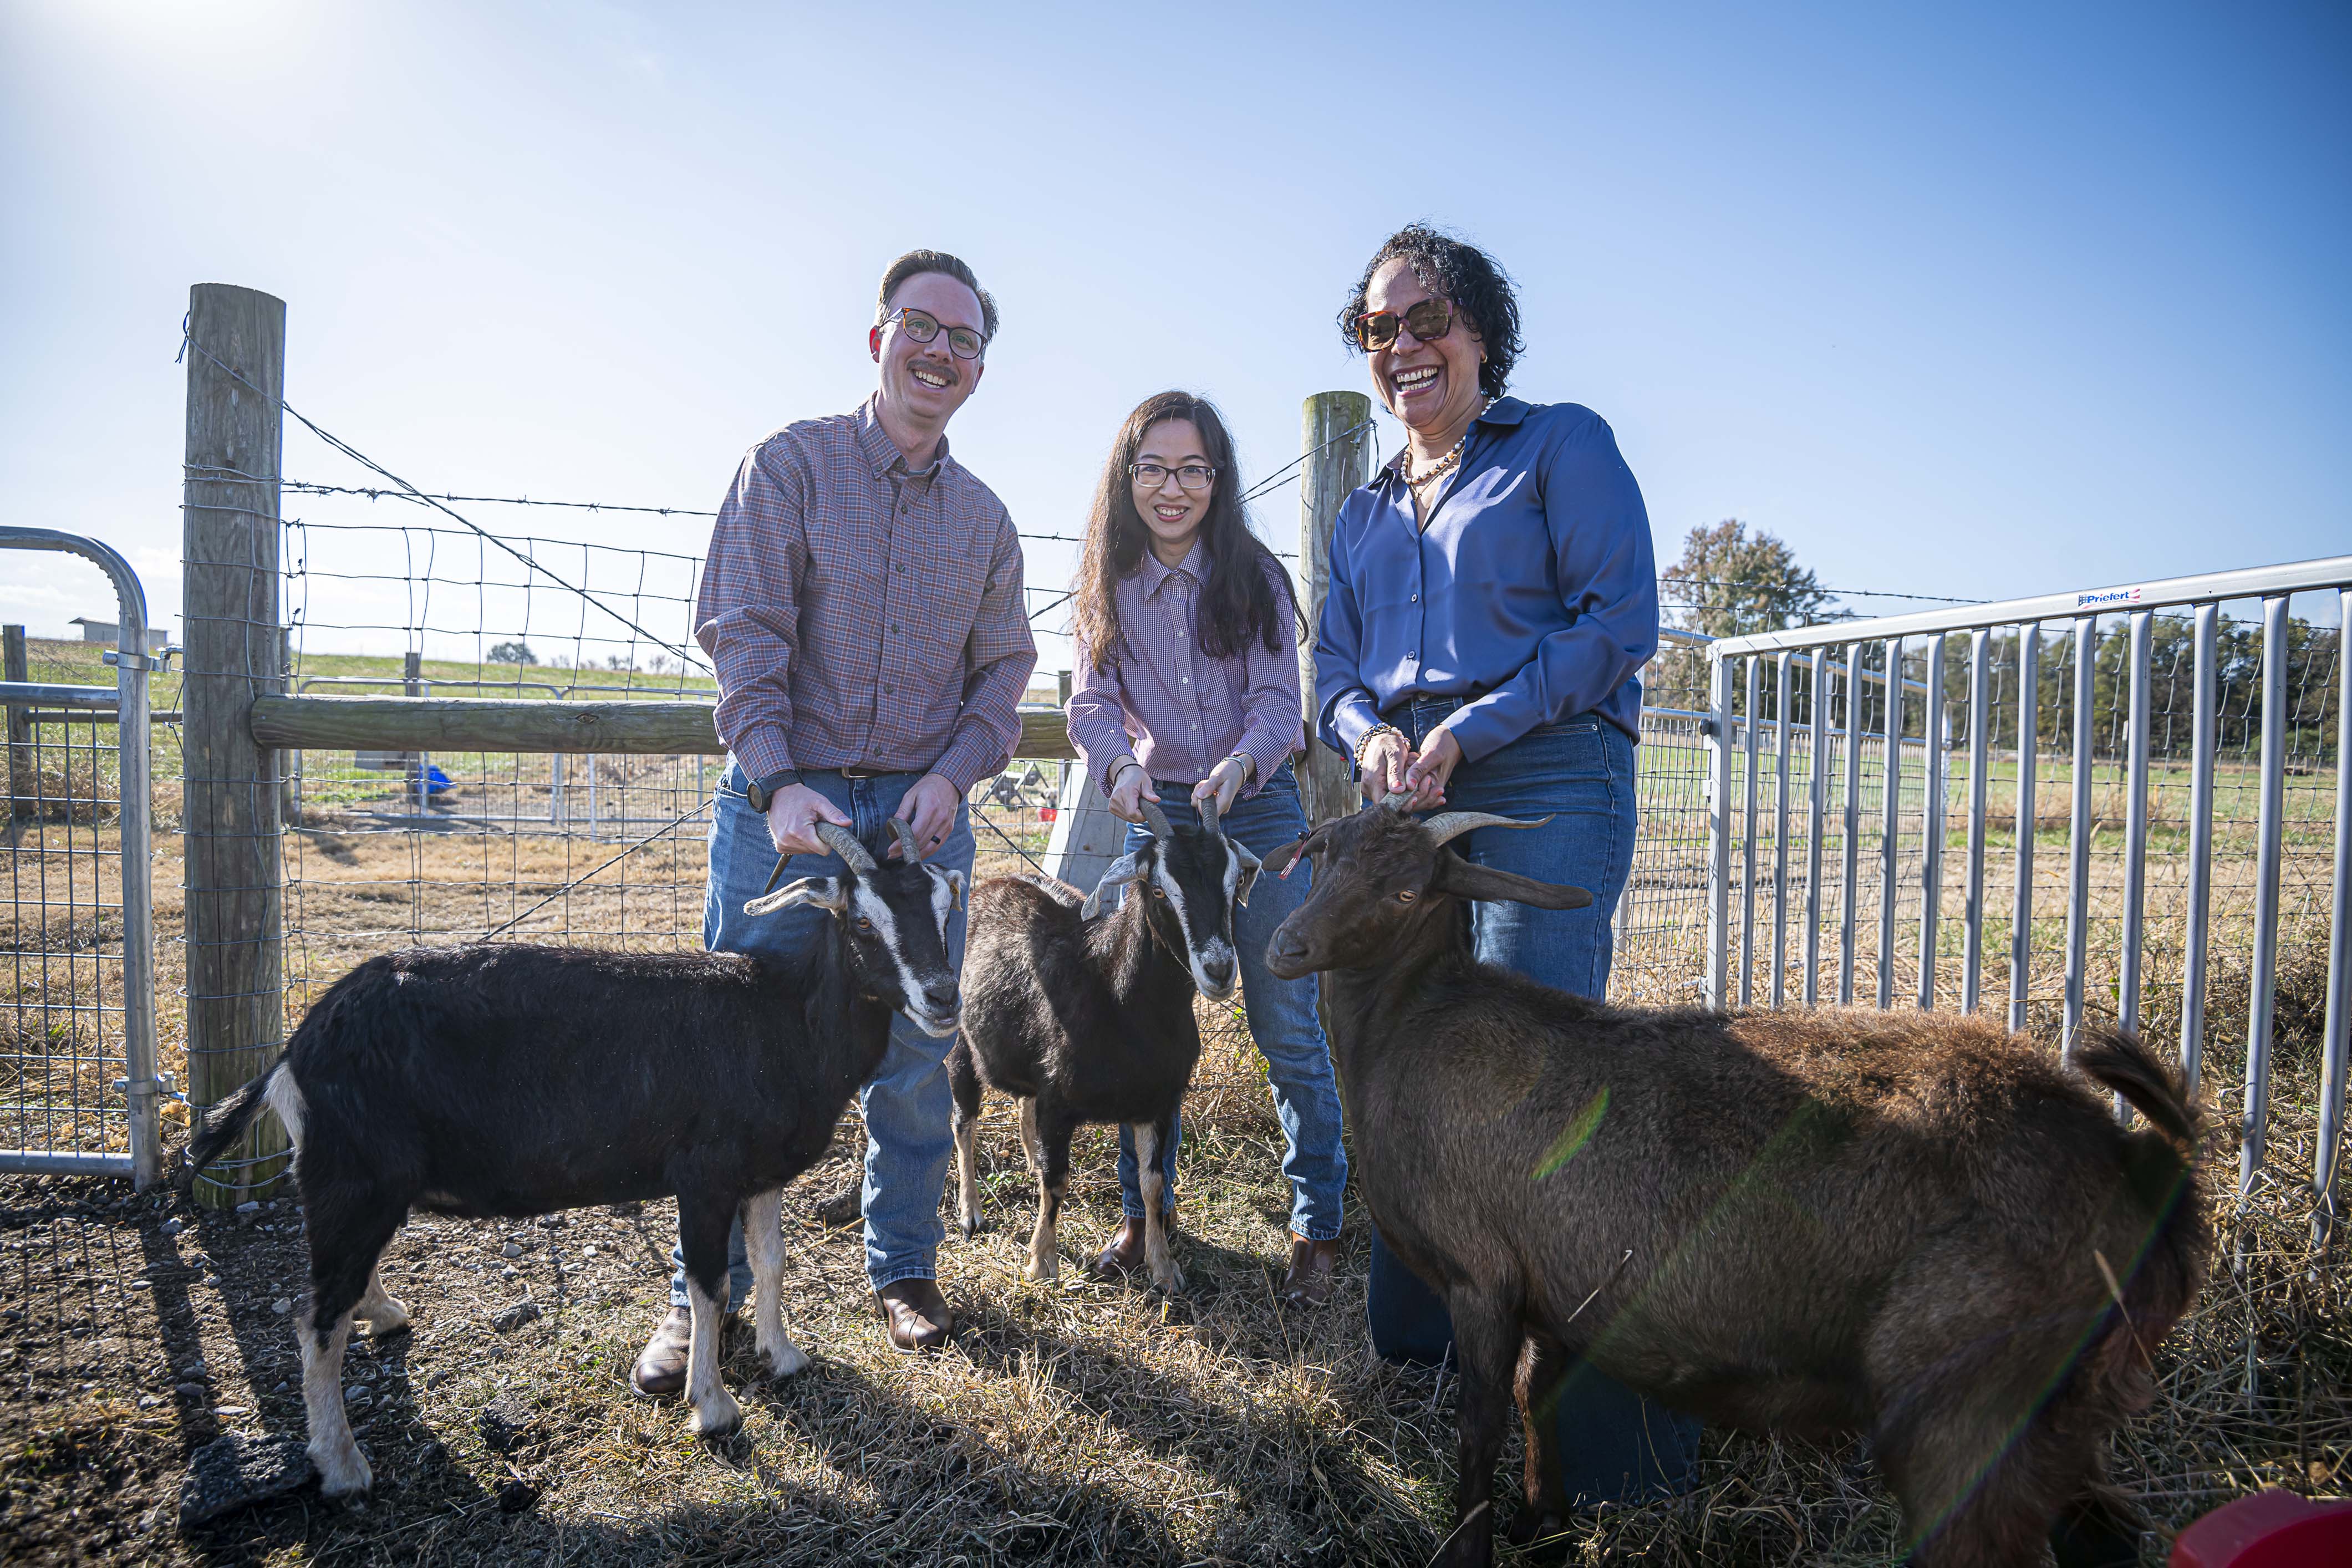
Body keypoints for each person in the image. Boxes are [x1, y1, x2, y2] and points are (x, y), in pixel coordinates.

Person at [1313, 224, 1702, 1502]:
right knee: (1408, 1058)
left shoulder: (1559, 447)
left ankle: (1589, 1424)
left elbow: (1621, 620)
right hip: (1401, 800)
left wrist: (1475, 725)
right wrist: (1369, 734)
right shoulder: (1364, 511)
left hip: (1539, 771)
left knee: (1536, 1082)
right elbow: (1333, 673)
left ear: (1482, 332)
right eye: (1380, 329)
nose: (1405, 346)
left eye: (1430, 320)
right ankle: (1427, 1340)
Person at [633, 248, 1037, 1391]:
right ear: (878, 339)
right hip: (790, 811)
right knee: (732, 1059)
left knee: (916, 1048)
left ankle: (904, 1266)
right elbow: (744, 639)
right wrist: (775, 777)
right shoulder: (790, 469)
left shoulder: (988, 524)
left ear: (978, 370)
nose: (941, 354)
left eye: (965, 342)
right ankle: (696, 1298)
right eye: (924, 327)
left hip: (917, 826)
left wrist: (954, 775)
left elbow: (1002, 677)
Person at [1065, 390, 1350, 1305]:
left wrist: (1243, 763)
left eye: (1191, 469)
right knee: (1138, 1012)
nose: (1171, 488)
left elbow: (1277, 704)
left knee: (1284, 1019)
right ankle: (1144, 1213)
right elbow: (1091, 704)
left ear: (1216, 479)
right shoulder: (1107, 582)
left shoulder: (1254, 576)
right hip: (1159, 811)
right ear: (1127, 477)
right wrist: (1116, 767)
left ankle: (1319, 1222)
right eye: (1152, 468)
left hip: (1256, 808)